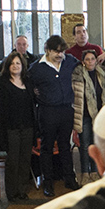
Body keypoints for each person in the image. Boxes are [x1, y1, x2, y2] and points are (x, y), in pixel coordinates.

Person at [28, 35, 79, 196]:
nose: (59, 54)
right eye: (56, 51)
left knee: (65, 145)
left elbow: (86, 62)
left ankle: (69, 179)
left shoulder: (69, 61)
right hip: (47, 111)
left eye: (62, 51)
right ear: (47, 50)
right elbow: (28, 84)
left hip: (66, 110)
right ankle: (47, 182)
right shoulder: (36, 68)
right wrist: (36, 95)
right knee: (47, 146)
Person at [0, 53, 35, 202]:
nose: (15, 66)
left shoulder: (28, 82)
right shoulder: (1, 83)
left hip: (28, 127)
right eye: (12, 64)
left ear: (22, 65)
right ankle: (12, 193)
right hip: (11, 128)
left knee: (25, 160)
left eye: (18, 63)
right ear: (7, 66)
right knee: (13, 161)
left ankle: (22, 190)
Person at [72, 48, 105, 184]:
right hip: (84, 115)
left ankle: (94, 171)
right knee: (85, 145)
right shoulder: (78, 76)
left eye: (93, 59)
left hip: (98, 115)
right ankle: (85, 173)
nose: (90, 61)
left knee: (96, 145)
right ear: (83, 62)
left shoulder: (102, 74)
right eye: (87, 59)